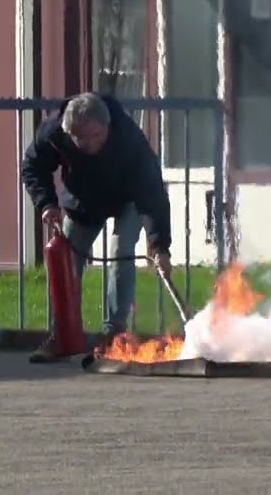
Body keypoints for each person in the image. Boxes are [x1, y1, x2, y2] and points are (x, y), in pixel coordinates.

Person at [20, 92, 175, 363]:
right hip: (84, 200)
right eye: (83, 139)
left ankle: (114, 335)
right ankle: (63, 335)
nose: (91, 145)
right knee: (64, 262)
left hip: (128, 199)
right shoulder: (53, 132)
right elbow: (33, 165)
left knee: (121, 252)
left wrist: (160, 246)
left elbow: (152, 193)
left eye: (97, 137)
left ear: (107, 126)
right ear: (69, 134)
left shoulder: (129, 138)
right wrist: (47, 203)